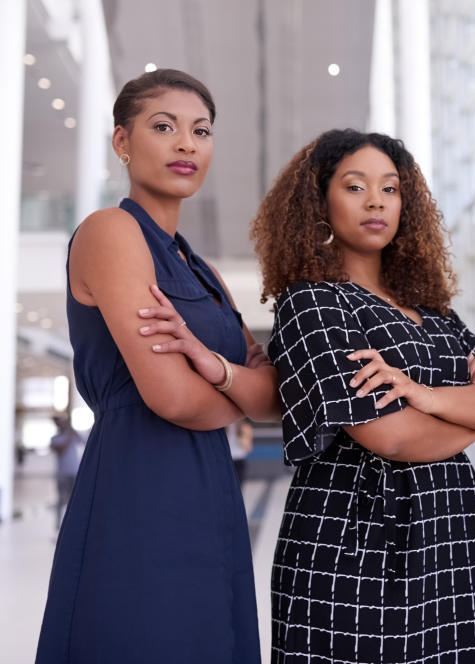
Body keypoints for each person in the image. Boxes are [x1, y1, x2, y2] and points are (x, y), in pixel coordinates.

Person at [250, 128, 475, 663]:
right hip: (353, 537)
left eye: (390, 188)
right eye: (355, 187)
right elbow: (391, 436)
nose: (376, 200)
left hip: (449, 535)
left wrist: (422, 396)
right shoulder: (312, 304)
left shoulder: (434, 313)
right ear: (319, 201)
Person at [37, 69, 279, 663]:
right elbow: (171, 398)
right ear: (122, 142)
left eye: (201, 131)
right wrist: (236, 383)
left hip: (212, 493)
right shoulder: (109, 232)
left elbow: (274, 396)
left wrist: (211, 368)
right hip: (138, 486)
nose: (186, 145)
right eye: (163, 127)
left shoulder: (204, 272)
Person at [49, 415, 83, 531]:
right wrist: (70, 437)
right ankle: (57, 526)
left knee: (76, 500)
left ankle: (75, 524)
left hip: (74, 473)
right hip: (62, 474)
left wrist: (72, 432)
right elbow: (61, 450)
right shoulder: (55, 438)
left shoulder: (73, 435)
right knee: (61, 500)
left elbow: (84, 441)